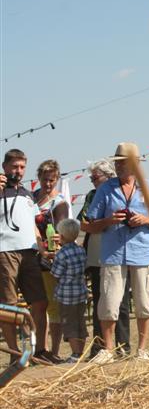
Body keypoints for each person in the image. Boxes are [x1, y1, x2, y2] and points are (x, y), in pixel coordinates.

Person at [86, 142, 149, 363]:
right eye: (119, 163)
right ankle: (109, 349)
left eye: (126, 163)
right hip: (113, 252)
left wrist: (145, 220)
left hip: (141, 250)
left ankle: (142, 350)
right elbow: (91, 224)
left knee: (144, 302)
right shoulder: (105, 189)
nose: (122, 167)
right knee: (109, 302)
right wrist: (109, 220)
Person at [78, 159, 131, 358]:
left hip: (120, 251)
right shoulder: (92, 196)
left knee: (122, 301)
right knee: (101, 301)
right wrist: (104, 222)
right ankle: (100, 347)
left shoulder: (123, 191)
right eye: (91, 178)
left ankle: (123, 346)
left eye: (95, 177)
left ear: (108, 177)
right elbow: (83, 222)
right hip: (97, 254)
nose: (92, 181)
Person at [0, 149, 48, 362]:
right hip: (4, 252)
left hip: (30, 252)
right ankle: (14, 354)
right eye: (14, 167)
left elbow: (35, 226)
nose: (18, 171)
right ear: (4, 167)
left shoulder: (28, 194)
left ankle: (36, 350)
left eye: (22, 167)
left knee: (39, 302)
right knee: (8, 306)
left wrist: (43, 248)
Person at [34, 159, 69, 362]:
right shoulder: (32, 198)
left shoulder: (59, 201)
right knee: (38, 305)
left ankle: (54, 351)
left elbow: (62, 228)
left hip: (52, 257)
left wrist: (58, 237)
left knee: (53, 306)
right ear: (39, 178)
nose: (48, 184)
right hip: (33, 257)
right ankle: (41, 348)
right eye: (45, 179)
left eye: (52, 180)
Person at [50, 219, 88, 363]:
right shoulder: (80, 250)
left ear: (62, 236)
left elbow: (56, 274)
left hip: (66, 295)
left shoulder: (62, 254)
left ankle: (75, 353)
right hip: (80, 291)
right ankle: (81, 352)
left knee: (69, 323)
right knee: (80, 322)